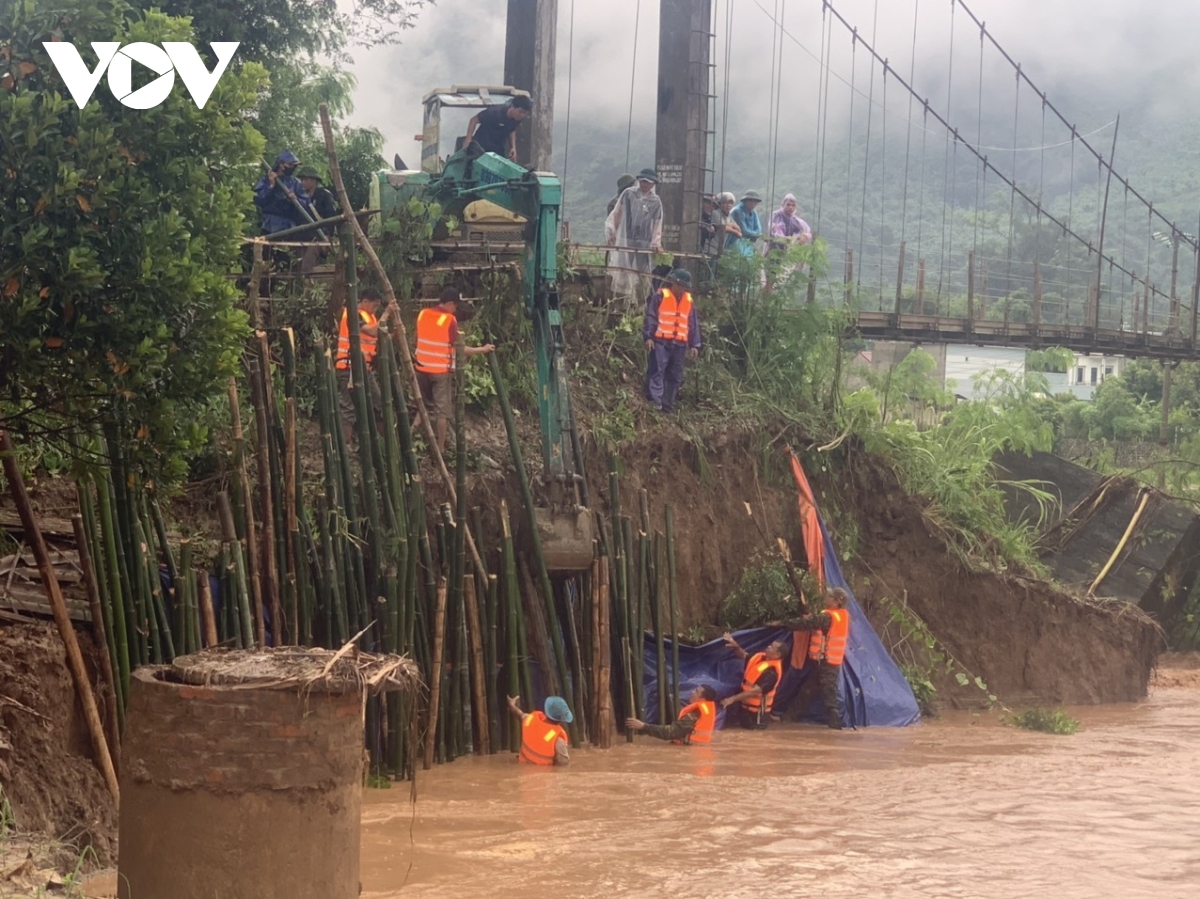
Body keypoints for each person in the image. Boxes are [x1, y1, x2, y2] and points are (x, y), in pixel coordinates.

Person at [411, 288, 496, 454]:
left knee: (423, 404)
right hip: (440, 371)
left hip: (420, 368)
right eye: (455, 306)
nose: (456, 310)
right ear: (449, 304)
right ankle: (440, 449)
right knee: (442, 411)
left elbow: (416, 340)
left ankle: (411, 433)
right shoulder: (449, 320)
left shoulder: (423, 314)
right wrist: (483, 349)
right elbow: (460, 348)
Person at [778, 587, 851, 730]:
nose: (826, 598)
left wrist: (782, 624)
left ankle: (835, 727)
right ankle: (788, 718)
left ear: (837, 602)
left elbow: (806, 624)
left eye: (829, 597)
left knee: (829, 694)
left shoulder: (828, 617)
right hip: (824, 661)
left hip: (826, 662)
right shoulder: (841, 616)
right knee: (808, 691)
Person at [335, 291, 397, 445]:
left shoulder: (370, 316)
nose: (376, 309)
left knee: (378, 403)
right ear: (365, 301)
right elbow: (372, 331)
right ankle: (346, 445)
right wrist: (387, 313)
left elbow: (378, 338)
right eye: (374, 305)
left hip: (366, 369)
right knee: (348, 407)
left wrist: (395, 335)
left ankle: (387, 442)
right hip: (348, 367)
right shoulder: (352, 314)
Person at [643, 268, 701, 413]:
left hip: (680, 344)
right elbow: (651, 317)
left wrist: (694, 344)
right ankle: (656, 402)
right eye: (679, 285)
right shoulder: (660, 296)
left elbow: (692, 323)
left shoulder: (688, 301)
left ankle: (667, 405)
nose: (681, 289)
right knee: (657, 370)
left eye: (683, 287)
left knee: (675, 375)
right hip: (661, 341)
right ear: (673, 283)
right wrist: (649, 337)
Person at [605, 168, 664, 301]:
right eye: (643, 181)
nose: (645, 185)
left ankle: (639, 304)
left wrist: (656, 242)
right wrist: (612, 232)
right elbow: (617, 213)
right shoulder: (628, 194)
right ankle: (620, 302)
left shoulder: (655, 201)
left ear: (653, 184)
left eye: (649, 183)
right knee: (622, 271)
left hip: (644, 242)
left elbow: (657, 223)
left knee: (642, 274)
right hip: (626, 239)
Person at [719, 635, 787, 729]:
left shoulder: (772, 672)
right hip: (744, 709)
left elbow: (754, 691)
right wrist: (736, 646)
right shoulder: (759, 657)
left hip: (756, 716)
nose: (768, 647)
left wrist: (732, 699)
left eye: (772, 647)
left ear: (777, 655)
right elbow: (743, 655)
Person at [625, 685, 718, 745]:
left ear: (702, 699)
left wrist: (643, 726)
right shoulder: (705, 712)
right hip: (697, 750)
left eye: (696, 691)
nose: (692, 692)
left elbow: (670, 732)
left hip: (690, 751)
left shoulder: (694, 715)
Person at [253, 150, 312, 235]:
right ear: (281, 165)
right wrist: (271, 186)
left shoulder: (296, 183)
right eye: (291, 165)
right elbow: (258, 199)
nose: (294, 168)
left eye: (295, 166)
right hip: (269, 224)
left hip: (289, 225)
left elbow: (306, 203)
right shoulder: (266, 180)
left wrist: (295, 199)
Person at [507, 694, 572, 765]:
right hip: (544, 773)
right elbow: (563, 763)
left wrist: (512, 706)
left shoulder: (530, 719)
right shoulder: (558, 739)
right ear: (562, 720)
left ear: (546, 712)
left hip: (522, 766)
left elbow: (520, 715)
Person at [465, 95, 533, 161]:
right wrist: (468, 140)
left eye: (525, 113)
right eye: (520, 111)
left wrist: (513, 147)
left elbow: (512, 129)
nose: (522, 115)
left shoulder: (517, 119)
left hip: (497, 148)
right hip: (480, 146)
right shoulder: (494, 112)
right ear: (512, 106)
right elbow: (473, 120)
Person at [726, 190, 763, 258]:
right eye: (750, 201)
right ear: (745, 201)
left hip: (748, 244)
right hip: (736, 242)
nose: (752, 203)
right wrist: (756, 234)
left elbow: (759, 229)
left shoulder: (753, 212)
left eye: (755, 201)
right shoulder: (738, 211)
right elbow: (744, 231)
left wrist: (757, 234)